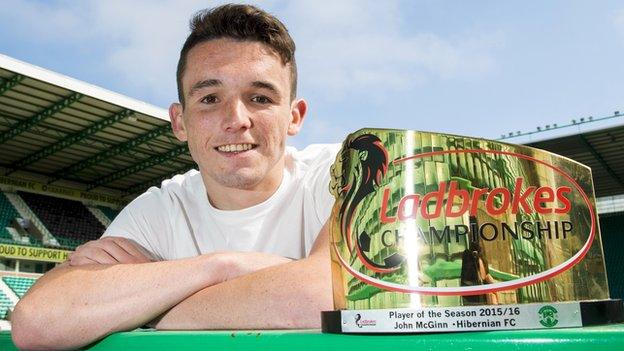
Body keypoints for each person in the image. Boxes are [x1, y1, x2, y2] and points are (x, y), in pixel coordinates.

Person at [11, 4, 339, 350]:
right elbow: (38, 323)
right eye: (210, 98)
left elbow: (328, 293)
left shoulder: (343, 171)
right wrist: (221, 266)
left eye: (260, 97)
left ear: (294, 116)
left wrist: (149, 310)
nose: (236, 119)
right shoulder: (162, 208)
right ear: (180, 121)